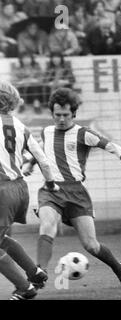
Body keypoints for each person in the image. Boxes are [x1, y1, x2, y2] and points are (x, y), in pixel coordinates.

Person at [23, 88, 121, 288]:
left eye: (65, 115)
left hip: (76, 193)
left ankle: (119, 268)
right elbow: (41, 149)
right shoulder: (47, 131)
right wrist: (29, 163)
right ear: (52, 113)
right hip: (51, 190)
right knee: (47, 225)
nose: (61, 119)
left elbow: (111, 145)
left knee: (91, 245)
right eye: (57, 115)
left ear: (74, 114)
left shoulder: (83, 133)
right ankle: (39, 274)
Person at [0, 81, 59, 300]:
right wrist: (51, 183)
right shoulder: (20, 126)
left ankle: (25, 288)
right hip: (20, 190)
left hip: (2, 190)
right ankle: (35, 273)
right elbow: (42, 159)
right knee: (2, 238)